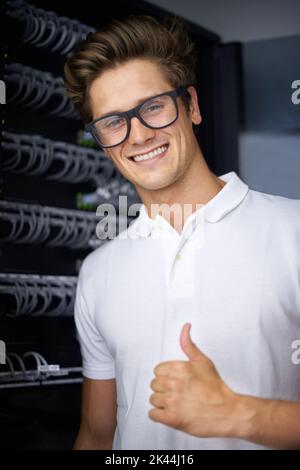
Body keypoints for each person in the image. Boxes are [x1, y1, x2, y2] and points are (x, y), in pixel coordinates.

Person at [64, 14, 300, 450]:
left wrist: (240, 414)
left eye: (152, 106)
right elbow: (97, 434)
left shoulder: (292, 231)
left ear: (190, 104)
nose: (137, 135)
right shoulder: (98, 273)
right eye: (113, 122)